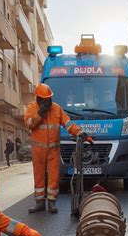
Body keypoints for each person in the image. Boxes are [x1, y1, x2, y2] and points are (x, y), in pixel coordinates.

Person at [24, 83, 92, 214]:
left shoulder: (56, 109)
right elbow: (30, 124)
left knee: (54, 176)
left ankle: (52, 202)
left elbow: (68, 123)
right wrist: (40, 113)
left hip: (53, 150)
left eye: (49, 99)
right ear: (38, 98)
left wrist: (79, 133)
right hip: (38, 150)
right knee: (38, 176)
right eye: (44, 99)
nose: (47, 102)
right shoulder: (32, 108)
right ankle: (39, 203)